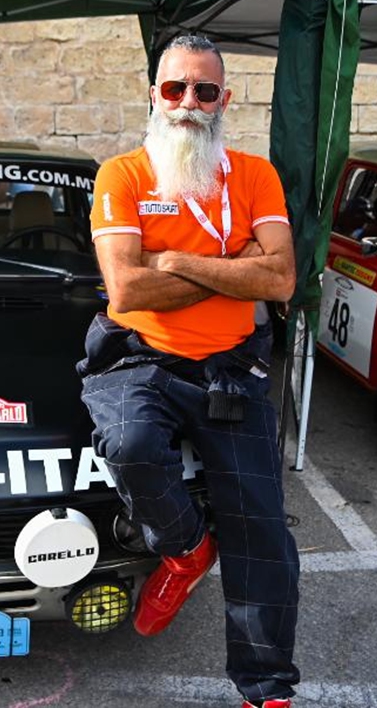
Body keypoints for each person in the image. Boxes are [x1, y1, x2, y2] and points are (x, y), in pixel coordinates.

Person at [78, 35, 299, 708]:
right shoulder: (123, 174)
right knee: (133, 444)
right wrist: (237, 268)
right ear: (155, 95)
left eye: (205, 91)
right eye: (176, 89)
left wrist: (176, 262)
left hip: (230, 367)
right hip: (140, 356)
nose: (189, 104)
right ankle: (183, 550)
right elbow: (127, 293)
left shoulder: (255, 175)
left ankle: (267, 691)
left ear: (224, 100)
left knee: (262, 531)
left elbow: (283, 279)